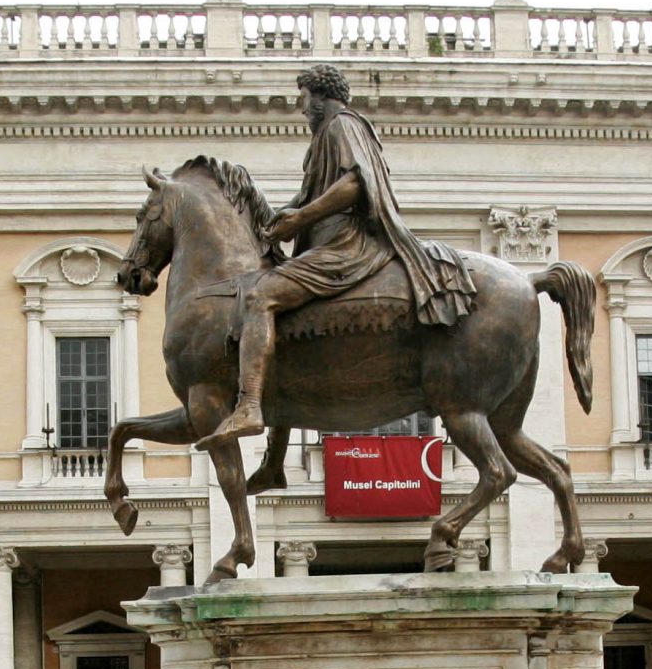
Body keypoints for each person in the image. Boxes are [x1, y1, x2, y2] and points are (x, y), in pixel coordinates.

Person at [196, 63, 475, 451]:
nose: (300, 108)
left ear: (320, 97)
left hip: (347, 247)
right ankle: (275, 461)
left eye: (303, 99)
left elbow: (355, 184)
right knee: (288, 331)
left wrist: (302, 217)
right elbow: (310, 198)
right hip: (326, 244)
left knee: (260, 298)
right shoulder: (324, 139)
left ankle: (250, 406)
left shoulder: (343, 124)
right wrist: (282, 219)